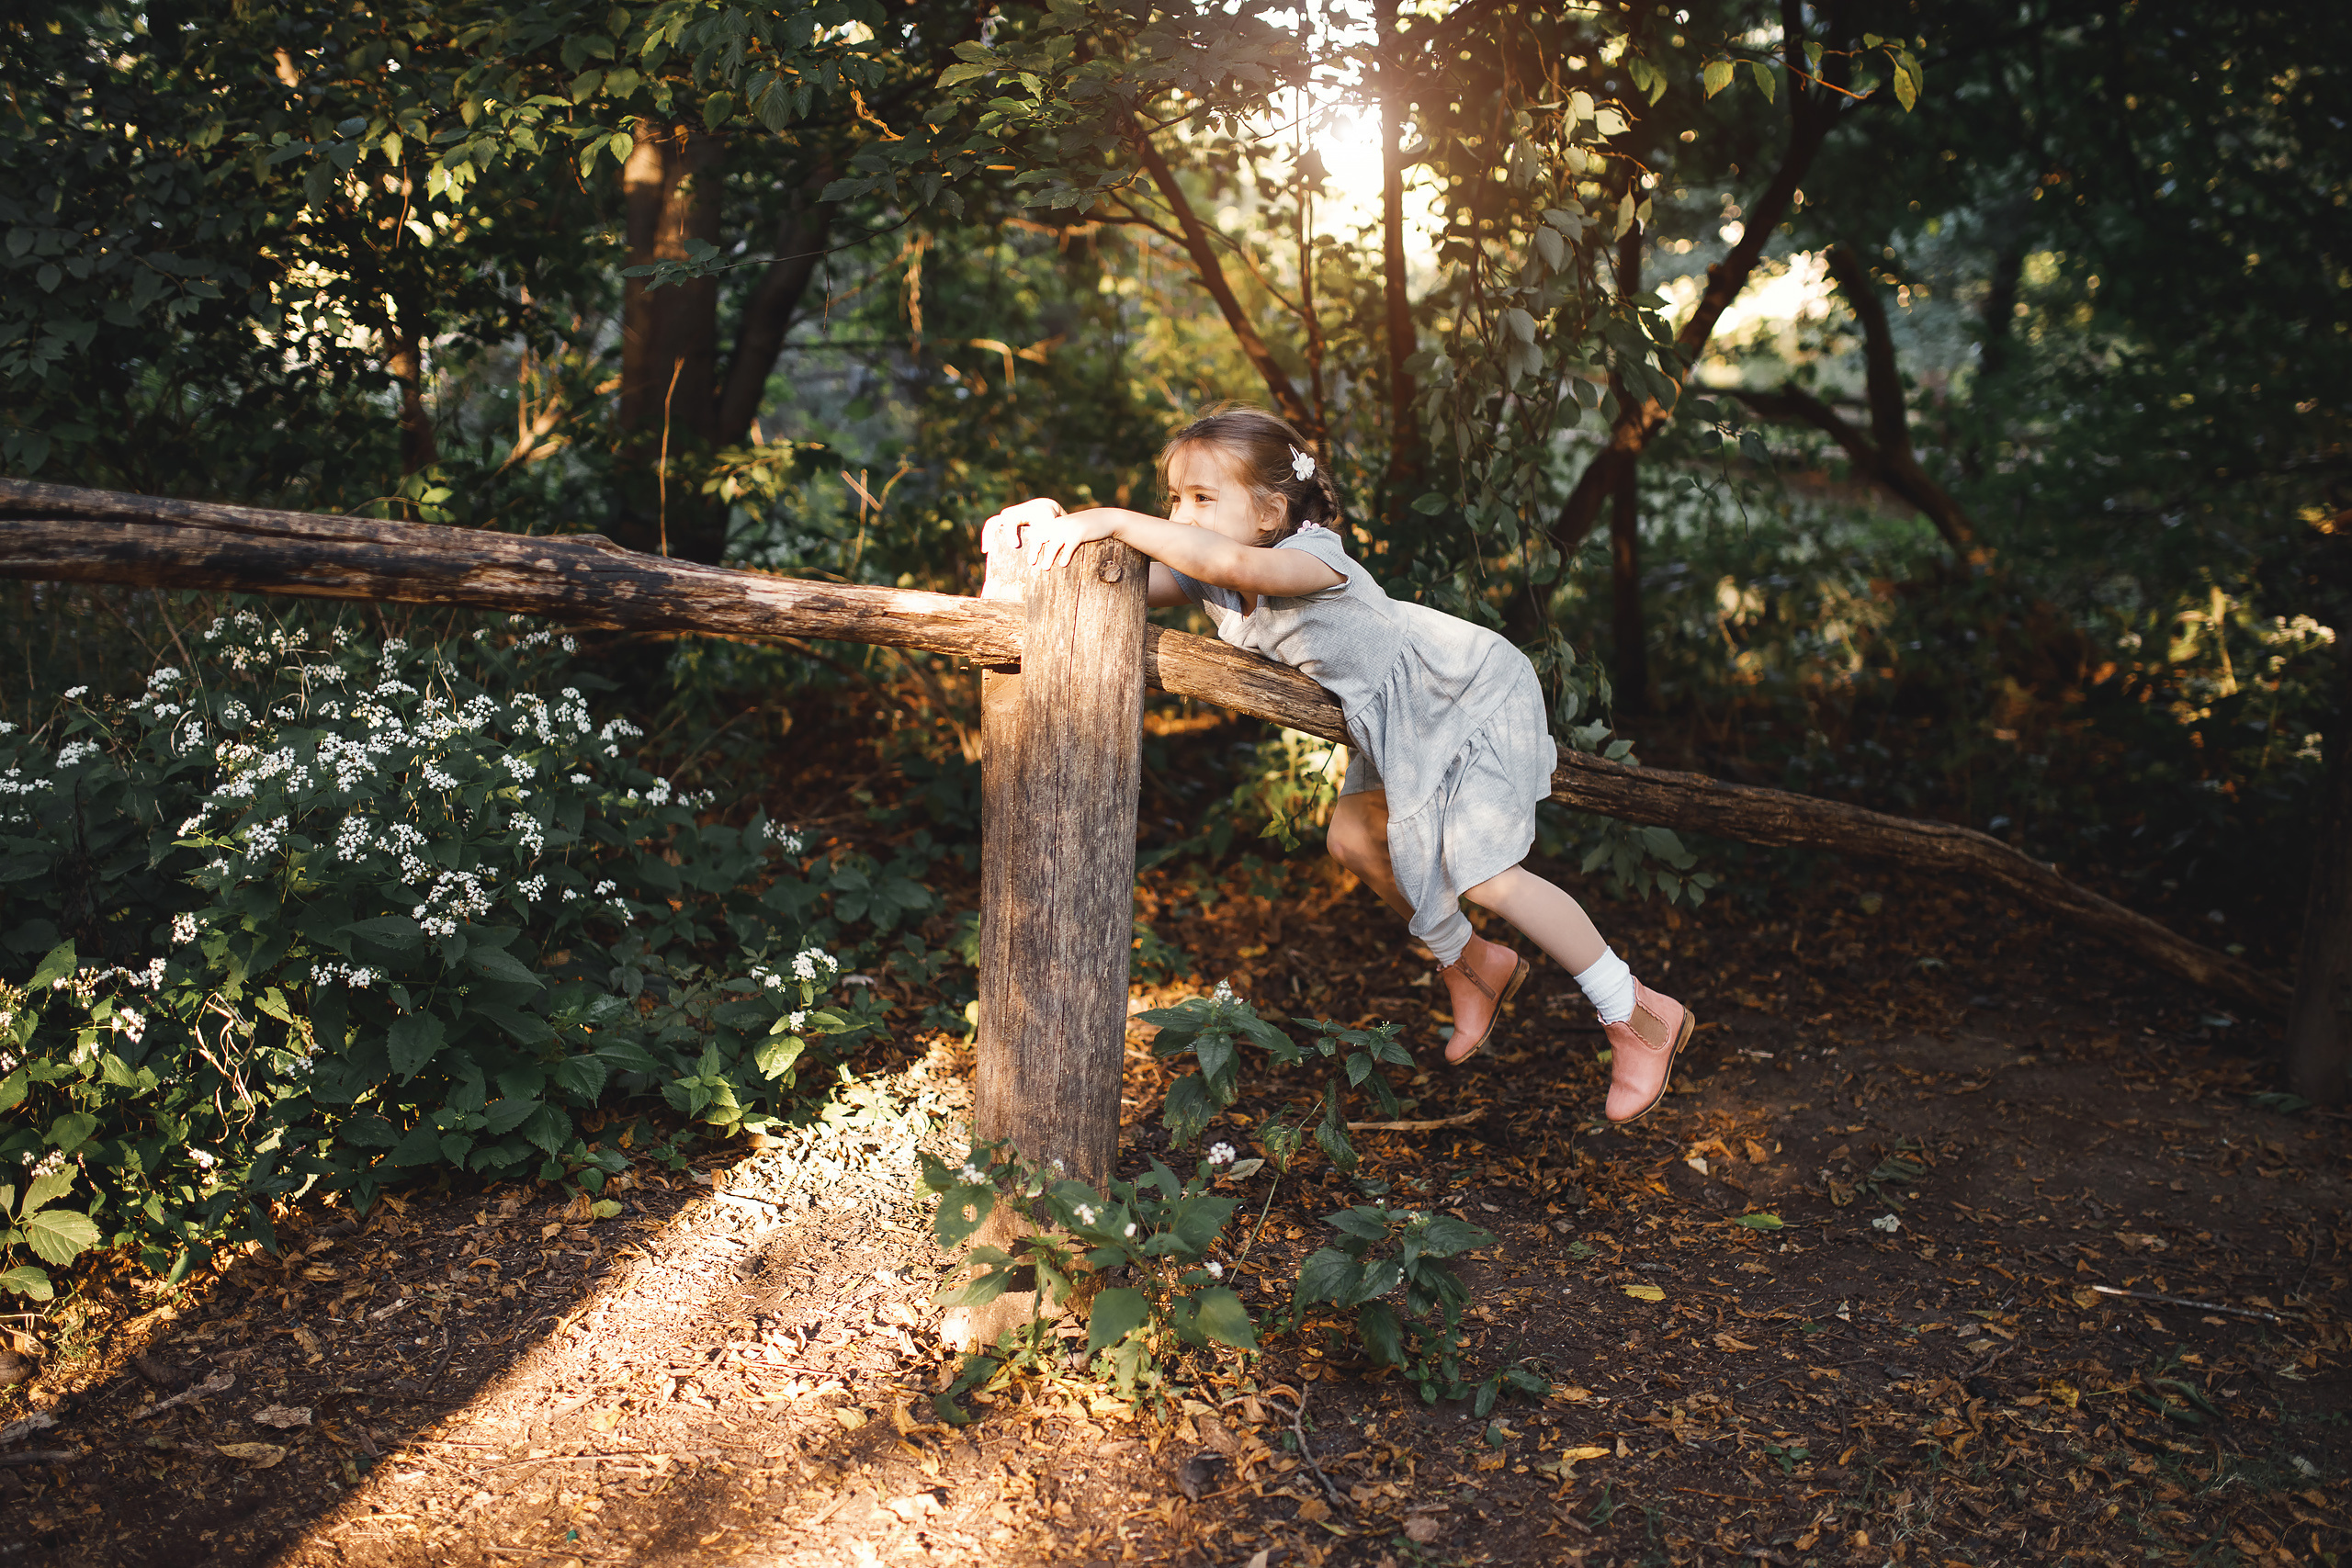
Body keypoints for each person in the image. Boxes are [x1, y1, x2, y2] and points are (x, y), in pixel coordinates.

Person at [986, 406, 1694, 1122]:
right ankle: (1474, 964)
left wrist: (1108, 515)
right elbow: (1118, 580)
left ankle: (1637, 1011)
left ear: (1269, 511)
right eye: (1174, 497)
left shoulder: (1310, 558)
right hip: (1393, 721)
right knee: (1352, 840)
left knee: (1485, 874)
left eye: (1203, 497)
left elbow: (1223, 560)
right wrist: (1042, 523)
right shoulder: (1215, 579)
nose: (1180, 513)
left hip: (1463, 689)